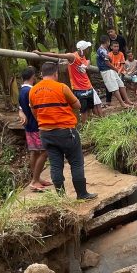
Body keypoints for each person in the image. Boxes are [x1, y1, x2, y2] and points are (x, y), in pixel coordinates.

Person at [29, 62, 96, 200]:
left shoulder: (32, 91)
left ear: (41, 74)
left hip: (46, 133)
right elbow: (77, 105)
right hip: (66, 131)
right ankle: (82, 194)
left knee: (55, 165)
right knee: (76, 162)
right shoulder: (61, 87)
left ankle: (61, 197)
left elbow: (34, 112)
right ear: (56, 74)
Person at [32, 40, 99, 123]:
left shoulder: (83, 56)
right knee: (83, 110)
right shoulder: (72, 56)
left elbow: (87, 64)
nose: (89, 49)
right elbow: (57, 55)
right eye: (88, 48)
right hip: (79, 88)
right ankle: (85, 128)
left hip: (88, 86)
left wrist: (88, 63)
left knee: (89, 108)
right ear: (84, 49)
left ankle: (90, 126)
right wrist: (41, 53)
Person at [17, 66, 51, 191]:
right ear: (33, 77)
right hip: (37, 126)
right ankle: (35, 180)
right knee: (44, 151)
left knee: (34, 152)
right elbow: (35, 109)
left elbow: (20, 108)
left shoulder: (21, 91)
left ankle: (37, 177)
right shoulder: (32, 91)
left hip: (28, 127)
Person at [98, 35, 134, 108]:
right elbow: (107, 62)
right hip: (106, 70)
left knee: (121, 84)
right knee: (114, 88)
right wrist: (116, 69)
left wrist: (115, 69)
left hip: (111, 70)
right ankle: (122, 103)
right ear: (107, 42)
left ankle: (126, 100)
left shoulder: (105, 50)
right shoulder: (102, 51)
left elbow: (110, 60)